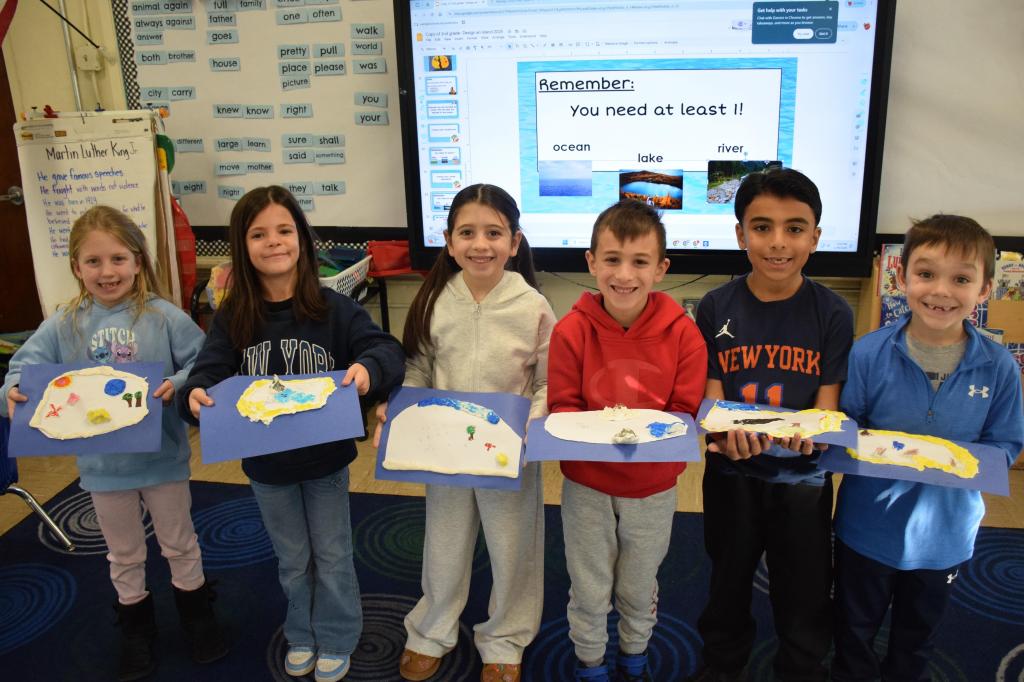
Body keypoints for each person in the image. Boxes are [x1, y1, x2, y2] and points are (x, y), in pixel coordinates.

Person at [179, 186, 404, 682]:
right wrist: (193, 393)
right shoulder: (234, 316)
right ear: (242, 246)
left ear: (302, 238)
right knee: (292, 559)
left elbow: (386, 350)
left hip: (325, 463)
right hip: (267, 469)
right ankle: (301, 631)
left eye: (284, 230)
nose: (274, 242)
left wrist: (368, 369)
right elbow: (208, 371)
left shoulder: (334, 308)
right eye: (258, 234)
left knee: (333, 554)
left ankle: (338, 634)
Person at [2, 205, 226, 681]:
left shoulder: (164, 317)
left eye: (118, 259)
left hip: (162, 458)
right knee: (123, 552)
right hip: (103, 467)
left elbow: (205, 362)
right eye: (94, 261)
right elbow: (21, 367)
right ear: (76, 267)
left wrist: (179, 383)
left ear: (138, 262)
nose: (107, 272)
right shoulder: (65, 322)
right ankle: (136, 626)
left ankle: (196, 614)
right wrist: (13, 389)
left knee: (179, 542)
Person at [373, 183, 555, 682]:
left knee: (513, 547)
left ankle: (505, 637)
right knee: (444, 543)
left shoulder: (534, 306)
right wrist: (401, 414)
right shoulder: (436, 299)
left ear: (514, 242)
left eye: (494, 233)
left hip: (508, 455)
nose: (481, 244)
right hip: (446, 452)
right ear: (449, 242)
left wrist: (531, 427)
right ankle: (431, 630)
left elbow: (548, 382)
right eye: (467, 233)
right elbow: (418, 368)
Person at [831, 215, 1024, 681]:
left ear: (985, 290)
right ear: (901, 278)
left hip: (946, 534)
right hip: (867, 526)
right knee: (853, 625)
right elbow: (847, 424)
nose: (940, 290)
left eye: (961, 279)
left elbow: (1006, 443)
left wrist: (956, 461)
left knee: (918, 632)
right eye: (926, 273)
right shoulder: (869, 352)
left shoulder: (998, 366)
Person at [689, 168, 853, 682]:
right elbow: (712, 402)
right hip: (732, 475)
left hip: (802, 481)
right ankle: (722, 665)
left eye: (794, 228)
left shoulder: (833, 312)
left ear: (815, 237)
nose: (778, 242)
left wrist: (815, 437)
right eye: (762, 227)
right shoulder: (715, 305)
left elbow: (827, 408)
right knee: (727, 579)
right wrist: (720, 437)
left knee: (804, 588)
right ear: (740, 235)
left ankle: (801, 668)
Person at [548, 199, 708, 682]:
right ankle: (590, 662)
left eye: (639, 261)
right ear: (591, 262)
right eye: (612, 259)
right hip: (587, 486)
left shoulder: (684, 335)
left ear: (661, 269)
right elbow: (563, 408)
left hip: (652, 489)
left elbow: (684, 414)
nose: (624, 274)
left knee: (639, 585)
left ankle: (635, 656)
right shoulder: (571, 331)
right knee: (588, 586)